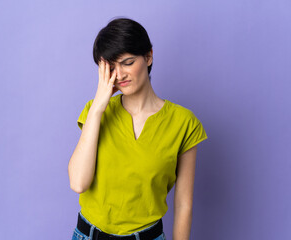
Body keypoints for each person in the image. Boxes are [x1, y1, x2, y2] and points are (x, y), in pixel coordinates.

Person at [68, 17, 208, 240]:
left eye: (127, 62)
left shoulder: (184, 123)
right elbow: (78, 182)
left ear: (149, 56)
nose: (120, 75)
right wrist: (97, 109)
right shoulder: (95, 112)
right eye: (111, 67)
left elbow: (183, 204)